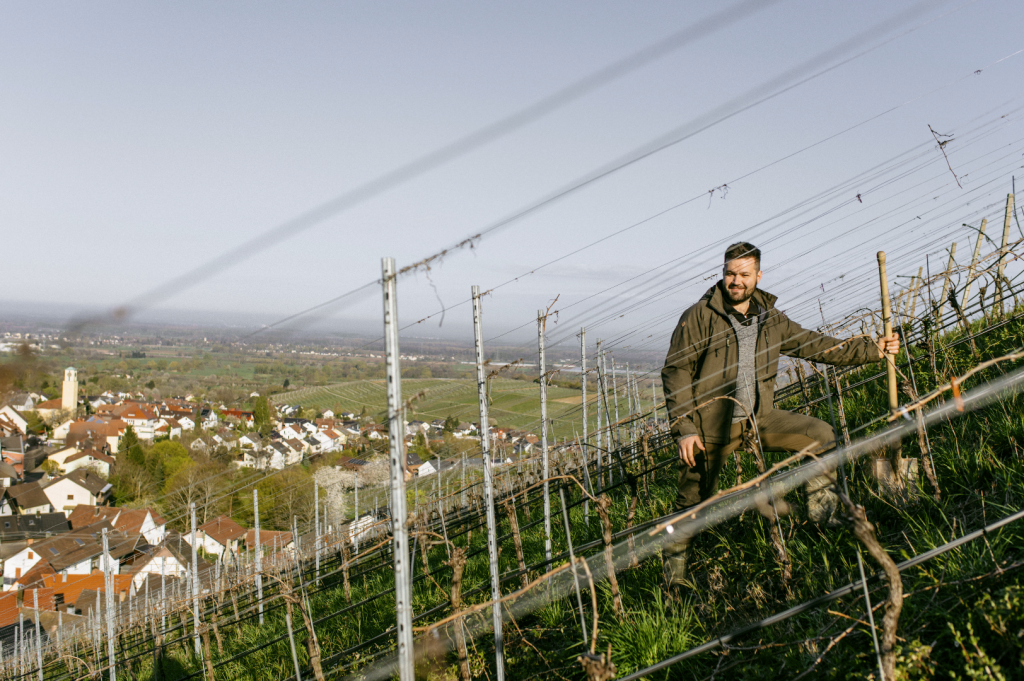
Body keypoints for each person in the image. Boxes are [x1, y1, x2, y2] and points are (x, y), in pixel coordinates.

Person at [660, 242, 899, 589]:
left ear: (758, 275)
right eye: (730, 273)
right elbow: (676, 371)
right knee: (690, 505)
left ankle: (825, 522)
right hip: (709, 429)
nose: (735, 281)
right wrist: (684, 428)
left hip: (759, 421)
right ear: (722, 274)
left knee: (821, 435)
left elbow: (818, 345)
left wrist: (873, 350)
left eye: (743, 274)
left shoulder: (772, 320)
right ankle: (674, 581)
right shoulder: (698, 316)